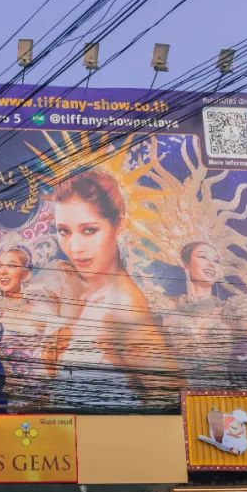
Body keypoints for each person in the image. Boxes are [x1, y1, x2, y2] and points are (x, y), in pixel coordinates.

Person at [50, 169, 176, 403]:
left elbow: (170, 398)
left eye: (89, 230)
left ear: (119, 225)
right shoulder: (90, 294)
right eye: (63, 231)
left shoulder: (122, 305)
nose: (75, 247)